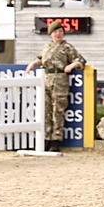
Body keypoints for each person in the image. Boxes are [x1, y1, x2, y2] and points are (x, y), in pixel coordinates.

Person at [25, 22, 85, 152]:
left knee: (58, 110)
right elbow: (42, 59)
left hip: (60, 80)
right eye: (56, 32)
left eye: (60, 31)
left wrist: (72, 66)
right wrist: (32, 64)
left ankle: (56, 139)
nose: (58, 34)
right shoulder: (47, 46)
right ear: (51, 34)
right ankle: (46, 138)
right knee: (46, 110)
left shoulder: (67, 47)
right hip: (46, 79)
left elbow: (80, 61)